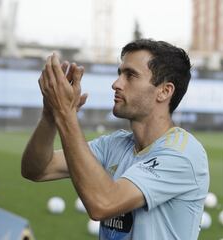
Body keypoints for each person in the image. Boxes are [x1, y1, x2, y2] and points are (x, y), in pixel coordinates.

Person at [21, 39, 210, 239]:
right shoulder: (114, 144)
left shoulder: (183, 154)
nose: (116, 84)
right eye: (120, 74)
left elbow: (103, 204)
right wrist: (50, 116)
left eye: (131, 75)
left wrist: (65, 114)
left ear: (164, 91)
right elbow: (37, 169)